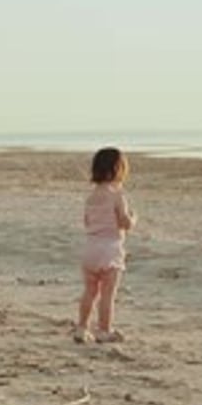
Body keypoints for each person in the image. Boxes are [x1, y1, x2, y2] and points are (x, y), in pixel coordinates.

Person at [74, 147, 137, 344]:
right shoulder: (117, 196)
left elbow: (87, 222)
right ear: (119, 170)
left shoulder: (91, 197)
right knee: (107, 294)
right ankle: (104, 329)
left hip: (90, 249)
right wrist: (133, 218)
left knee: (89, 291)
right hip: (109, 249)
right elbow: (124, 223)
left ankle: (81, 327)